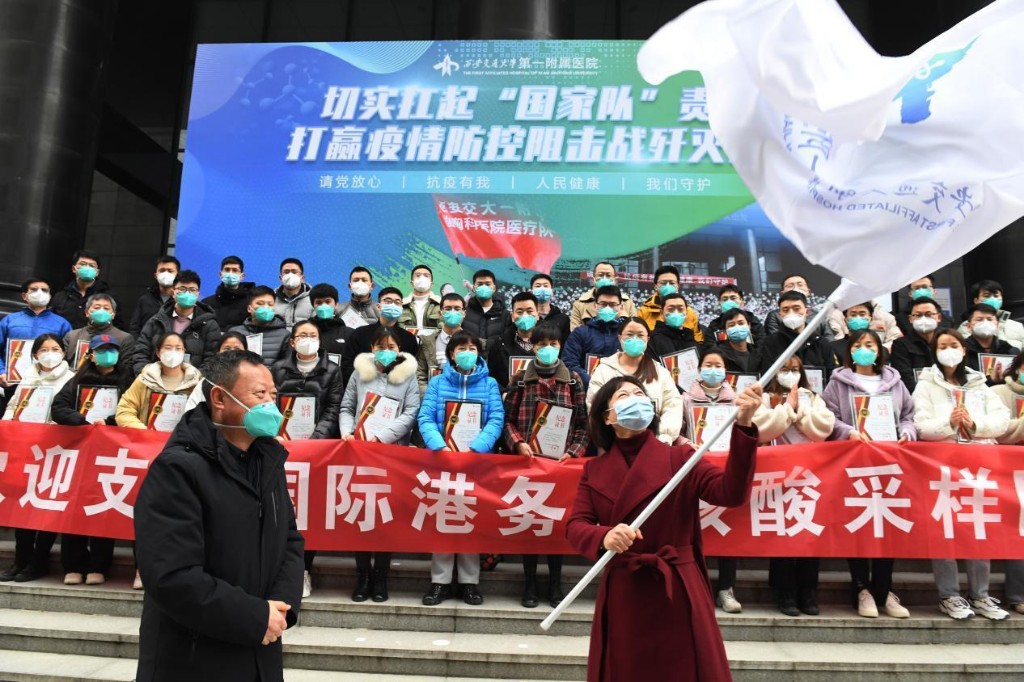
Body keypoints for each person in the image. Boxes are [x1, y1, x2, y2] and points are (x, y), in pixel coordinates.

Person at [566, 374, 761, 682]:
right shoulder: (594, 470)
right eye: (624, 396)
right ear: (607, 417)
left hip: (678, 587)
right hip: (625, 590)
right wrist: (604, 536)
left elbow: (731, 493)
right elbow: (576, 526)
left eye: (639, 393)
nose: (636, 399)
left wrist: (745, 427)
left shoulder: (681, 457)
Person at [133, 350, 304, 681]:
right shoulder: (178, 468)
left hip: (261, 649)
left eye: (273, 394)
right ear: (219, 398)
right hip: (194, 657)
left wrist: (280, 607)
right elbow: (171, 575)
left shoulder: (267, 461)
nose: (271, 404)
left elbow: (290, 539)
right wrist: (254, 616)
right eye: (259, 395)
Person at [912, 329, 1010, 621]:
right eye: (942, 346)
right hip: (942, 466)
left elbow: (1002, 420)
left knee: (977, 529)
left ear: (963, 349)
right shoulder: (926, 384)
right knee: (946, 530)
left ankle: (980, 594)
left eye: (953, 344)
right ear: (935, 352)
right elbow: (921, 425)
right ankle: (949, 594)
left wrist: (974, 424)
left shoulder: (980, 384)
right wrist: (948, 423)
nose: (949, 350)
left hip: (978, 466)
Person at [821, 329, 915, 619]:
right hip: (855, 463)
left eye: (870, 344)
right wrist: (847, 431)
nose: (864, 349)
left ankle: (884, 589)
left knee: (887, 524)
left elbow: (909, 415)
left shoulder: (895, 382)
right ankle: (862, 589)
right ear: (850, 350)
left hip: (890, 464)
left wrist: (908, 432)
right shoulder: (837, 383)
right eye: (858, 345)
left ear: (879, 349)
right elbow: (829, 417)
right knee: (859, 523)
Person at [501, 322, 589, 608]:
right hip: (528, 463)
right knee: (529, 523)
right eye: (541, 344)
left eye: (552, 343)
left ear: (560, 346)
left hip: (561, 468)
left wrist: (573, 452)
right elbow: (508, 420)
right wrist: (517, 443)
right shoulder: (519, 380)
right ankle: (529, 584)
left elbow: (583, 426)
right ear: (533, 347)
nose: (547, 349)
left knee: (556, 525)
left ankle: (554, 584)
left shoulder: (574, 380)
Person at [417, 331, 504, 607]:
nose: (467, 352)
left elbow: (496, 419)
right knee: (444, 520)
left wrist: (476, 448)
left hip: (476, 463)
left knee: (469, 521)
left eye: (472, 347)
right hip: (444, 462)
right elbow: (426, 417)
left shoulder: (490, 384)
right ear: (451, 354)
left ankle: (469, 583)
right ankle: (440, 582)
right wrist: (440, 447)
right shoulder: (437, 382)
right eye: (461, 348)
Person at [339, 326, 421, 604]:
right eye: (380, 346)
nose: (386, 351)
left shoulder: (408, 376)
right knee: (362, 515)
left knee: (385, 517)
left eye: (392, 346)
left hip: (391, 454)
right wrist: (347, 432)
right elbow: (347, 407)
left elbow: (411, 412)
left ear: (400, 350)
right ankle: (363, 576)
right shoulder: (359, 372)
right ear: (372, 348)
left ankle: (381, 576)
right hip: (360, 453)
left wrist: (381, 436)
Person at [752, 355, 835, 616]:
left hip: (811, 475)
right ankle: (785, 592)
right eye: (784, 369)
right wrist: (786, 408)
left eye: (794, 369)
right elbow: (761, 429)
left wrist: (799, 411)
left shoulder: (813, 397)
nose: (790, 374)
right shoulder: (766, 397)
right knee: (782, 533)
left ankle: (808, 592)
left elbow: (823, 428)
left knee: (810, 534)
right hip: (777, 474)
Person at [51, 334, 134, 587]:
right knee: (75, 507)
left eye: (111, 350)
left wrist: (108, 422)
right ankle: (73, 564)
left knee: (103, 507)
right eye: (101, 350)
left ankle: (99, 565)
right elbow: (59, 408)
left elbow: (131, 410)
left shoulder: (128, 380)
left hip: (111, 453)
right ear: (91, 353)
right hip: (80, 451)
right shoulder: (76, 380)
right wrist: (83, 421)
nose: (106, 354)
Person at [270, 320, 342, 599]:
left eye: (313, 335)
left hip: (315, 454)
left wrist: (315, 440)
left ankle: (303, 571)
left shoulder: (332, 370)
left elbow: (333, 407)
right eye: (302, 335)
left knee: (308, 515)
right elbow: (268, 404)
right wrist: (277, 433)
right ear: (292, 341)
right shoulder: (277, 369)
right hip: (280, 448)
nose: (308, 339)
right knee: (278, 512)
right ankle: (277, 571)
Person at [0, 334, 73, 583]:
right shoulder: (28, 377)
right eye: (44, 349)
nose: (50, 353)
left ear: (64, 353)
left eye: (55, 349)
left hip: (55, 450)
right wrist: (8, 424)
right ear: (35, 354)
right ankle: (20, 559)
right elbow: (13, 406)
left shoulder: (71, 378)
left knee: (46, 507)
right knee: (23, 505)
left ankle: (39, 561)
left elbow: (71, 412)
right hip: (26, 449)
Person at [678, 349, 744, 614]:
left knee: (730, 530)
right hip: (696, 471)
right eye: (708, 364)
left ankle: (726, 588)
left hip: (727, 471)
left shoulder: (737, 401)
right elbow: (677, 431)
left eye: (718, 365)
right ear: (699, 368)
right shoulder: (685, 399)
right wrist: (686, 443)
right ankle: (698, 586)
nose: (713, 369)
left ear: (725, 370)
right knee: (695, 531)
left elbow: (747, 431)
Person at [587, 318, 683, 446]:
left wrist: (664, 436)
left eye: (640, 335)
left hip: (655, 443)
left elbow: (673, 405)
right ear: (620, 338)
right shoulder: (604, 370)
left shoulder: (660, 371)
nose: (635, 339)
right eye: (630, 334)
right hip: (614, 444)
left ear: (647, 339)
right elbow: (594, 406)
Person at [131, 270, 221, 375]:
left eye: (192, 290)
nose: (187, 293)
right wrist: (148, 377)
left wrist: (195, 381)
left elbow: (212, 360)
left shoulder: (209, 325)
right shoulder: (156, 321)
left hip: (192, 386)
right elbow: (141, 353)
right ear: (173, 292)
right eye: (182, 289)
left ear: (198, 294)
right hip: (156, 383)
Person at [989, 351, 1024, 616]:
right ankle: (1016, 594)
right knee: (1018, 535)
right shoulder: (998, 392)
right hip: (1008, 472)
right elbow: (1000, 430)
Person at [0, 278, 71, 387]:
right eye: (34, 289)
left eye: (44, 290)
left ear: (50, 296)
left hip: (49, 383)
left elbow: (68, 354)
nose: (39, 293)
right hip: (12, 382)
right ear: (24, 296)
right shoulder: (9, 321)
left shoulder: (62, 323)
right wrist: (1, 372)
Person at [341, 287, 418, 385]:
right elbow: (346, 365)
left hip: (397, 391)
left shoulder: (409, 338)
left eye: (397, 302)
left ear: (401, 307)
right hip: (364, 388)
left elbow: (412, 370)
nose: (393, 305)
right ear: (378, 306)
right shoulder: (360, 333)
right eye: (388, 301)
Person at [759, 290, 837, 380]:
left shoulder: (821, 343)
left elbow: (831, 376)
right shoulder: (770, 342)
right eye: (785, 310)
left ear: (807, 312)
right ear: (780, 314)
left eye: (796, 308)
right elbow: (767, 375)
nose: (791, 313)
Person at [562, 285, 623, 386]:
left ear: (621, 307)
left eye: (612, 304)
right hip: (586, 392)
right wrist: (592, 383)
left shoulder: (627, 335)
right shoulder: (580, 333)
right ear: (595, 306)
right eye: (603, 304)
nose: (607, 308)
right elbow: (569, 363)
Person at [50, 250, 121, 330]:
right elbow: (52, 323)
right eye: (83, 264)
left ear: (97, 272)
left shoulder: (109, 296)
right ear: (74, 269)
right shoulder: (60, 297)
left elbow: (118, 325)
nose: (87, 268)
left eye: (91, 265)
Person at [637, 265, 705, 345]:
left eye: (672, 283)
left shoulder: (689, 312)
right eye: (663, 283)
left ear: (678, 286)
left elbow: (698, 341)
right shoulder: (644, 312)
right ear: (655, 286)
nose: (668, 286)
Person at [487, 291, 541, 393]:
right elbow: (491, 377)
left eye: (530, 311)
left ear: (537, 315)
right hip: (508, 401)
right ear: (512, 316)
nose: (525, 316)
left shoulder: (547, 344)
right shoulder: (499, 343)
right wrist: (503, 393)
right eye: (519, 312)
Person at [229, 285, 292, 368]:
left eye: (270, 304)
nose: (266, 307)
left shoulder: (285, 335)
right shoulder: (235, 333)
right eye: (260, 303)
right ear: (249, 308)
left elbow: (286, 367)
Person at [63, 293, 134, 366]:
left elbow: (126, 368)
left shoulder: (124, 338)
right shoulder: (72, 336)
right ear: (87, 312)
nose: (101, 311)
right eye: (97, 308)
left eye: (106, 308)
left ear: (113, 315)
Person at [889, 296, 942, 392]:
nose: (923, 318)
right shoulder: (900, 345)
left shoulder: (946, 341)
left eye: (928, 314)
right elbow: (905, 379)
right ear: (910, 319)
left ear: (938, 317)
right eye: (918, 315)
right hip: (916, 397)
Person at [184, 332, 248, 411]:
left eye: (237, 349)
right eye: (226, 349)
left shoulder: (254, 379)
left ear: (246, 352)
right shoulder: (207, 381)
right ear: (218, 353)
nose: (232, 352)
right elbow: (191, 410)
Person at [957, 279, 1024, 350]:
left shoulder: (1017, 326)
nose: (992, 299)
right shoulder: (966, 327)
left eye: (996, 296)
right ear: (976, 300)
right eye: (987, 296)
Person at [417, 293, 465, 393]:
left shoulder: (475, 343)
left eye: (457, 309)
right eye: (448, 308)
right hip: (434, 398)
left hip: (463, 397)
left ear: (464, 313)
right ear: (440, 313)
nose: (453, 312)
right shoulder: (427, 342)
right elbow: (420, 375)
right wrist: (430, 397)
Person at [569, 261, 638, 330]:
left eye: (608, 275)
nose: (604, 278)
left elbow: (634, 329)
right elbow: (575, 333)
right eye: (600, 275)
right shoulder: (580, 304)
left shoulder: (627, 303)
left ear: (615, 279)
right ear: (593, 279)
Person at [762, 274, 832, 339]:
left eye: (800, 285)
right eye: (790, 286)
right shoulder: (775, 316)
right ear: (782, 293)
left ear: (808, 291)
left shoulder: (818, 316)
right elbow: (774, 341)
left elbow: (829, 340)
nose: (795, 288)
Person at [961, 303, 1016, 381]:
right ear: (969, 326)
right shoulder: (962, 351)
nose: (985, 323)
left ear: (997, 325)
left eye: (989, 319)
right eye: (979, 319)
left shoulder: (1009, 350)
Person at [129, 256, 180, 336]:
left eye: (170, 271)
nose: (166, 274)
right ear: (156, 275)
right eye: (162, 270)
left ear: (177, 275)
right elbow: (135, 329)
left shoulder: (181, 300)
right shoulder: (144, 301)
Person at [201, 255, 254, 329]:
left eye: (235, 270)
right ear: (220, 274)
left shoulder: (250, 303)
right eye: (227, 270)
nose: (230, 273)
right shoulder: (206, 303)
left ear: (242, 276)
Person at [462, 268, 508, 351]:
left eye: (487, 284)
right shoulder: (465, 313)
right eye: (479, 284)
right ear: (474, 288)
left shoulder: (505, 314)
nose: (484, 287)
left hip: (496, 361)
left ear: (494, 288)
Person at [648, 292, 702, 360]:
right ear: (661, 313)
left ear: (686, 313)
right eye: (671, 309)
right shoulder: (652, 340)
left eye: (680, 309)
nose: (676, 312)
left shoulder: (692, 341)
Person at [827, 299, 902, 346]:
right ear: (845, 319)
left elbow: (895, 340)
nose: (858, 317)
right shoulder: (836, 315)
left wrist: (879, 349)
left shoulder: (886, 316)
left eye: (862, 314)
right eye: (853, 315)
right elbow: (838, 341)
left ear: (870, 319)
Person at [308, 283, 352, 359]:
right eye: (318, 303)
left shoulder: (349, 333)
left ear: (336, 304)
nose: (323, 305)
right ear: (313, 306)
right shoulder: (305, 332)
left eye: (328, 302)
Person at [715, 307, 762, 374]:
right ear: (725, 330)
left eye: (741, 323)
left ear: (749, 325)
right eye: (731, 325)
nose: (737, 327)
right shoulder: (718, 354)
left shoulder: (757, 353)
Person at [398, 264, 441, 331]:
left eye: (426, 276)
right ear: (412, 283)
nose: (422, 278)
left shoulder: (441, 304)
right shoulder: (401, 304)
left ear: (431, 284)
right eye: (418, 275)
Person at [530, 273, 571, 343]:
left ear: (552, 292)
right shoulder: (527, 318)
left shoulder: (563, 319)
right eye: (538, 286)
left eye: (546, 286)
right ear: (531, 292)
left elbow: (566, 345)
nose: (542, 289)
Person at [273, 257, 312, 327]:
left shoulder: (313, 299)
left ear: (302, 278)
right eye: (286, 272)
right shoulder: (271, 299)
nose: (290, 275)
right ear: (280, 278)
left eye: (294, 272)